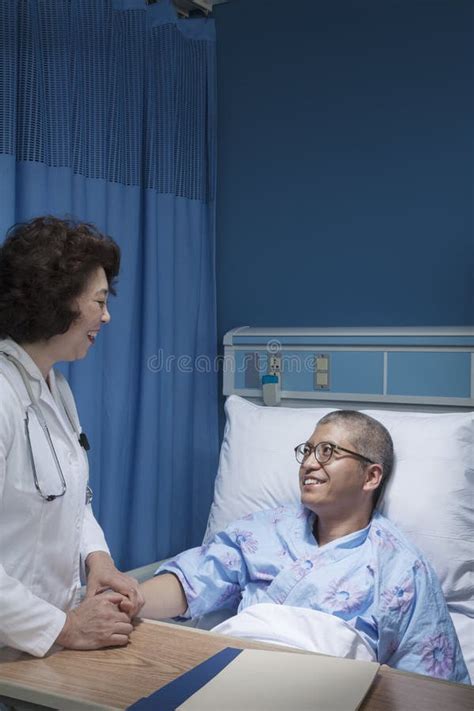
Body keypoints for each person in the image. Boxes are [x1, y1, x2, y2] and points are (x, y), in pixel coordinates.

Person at [140, 410, 470, 684]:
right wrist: (130, 601)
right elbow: (193, 581)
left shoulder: (401, 566)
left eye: (327, 452)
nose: (309, 463)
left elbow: (432, 683)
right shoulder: (264, 530)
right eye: (308, 450)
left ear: (371, 476)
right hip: (233, 674)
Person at [0, 215, 144, 658]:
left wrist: (97, 557)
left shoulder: (54, 387)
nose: (106, 315)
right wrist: (65, 628)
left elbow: (70, 496)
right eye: (99, 301)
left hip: (43, 648)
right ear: (58, 301)